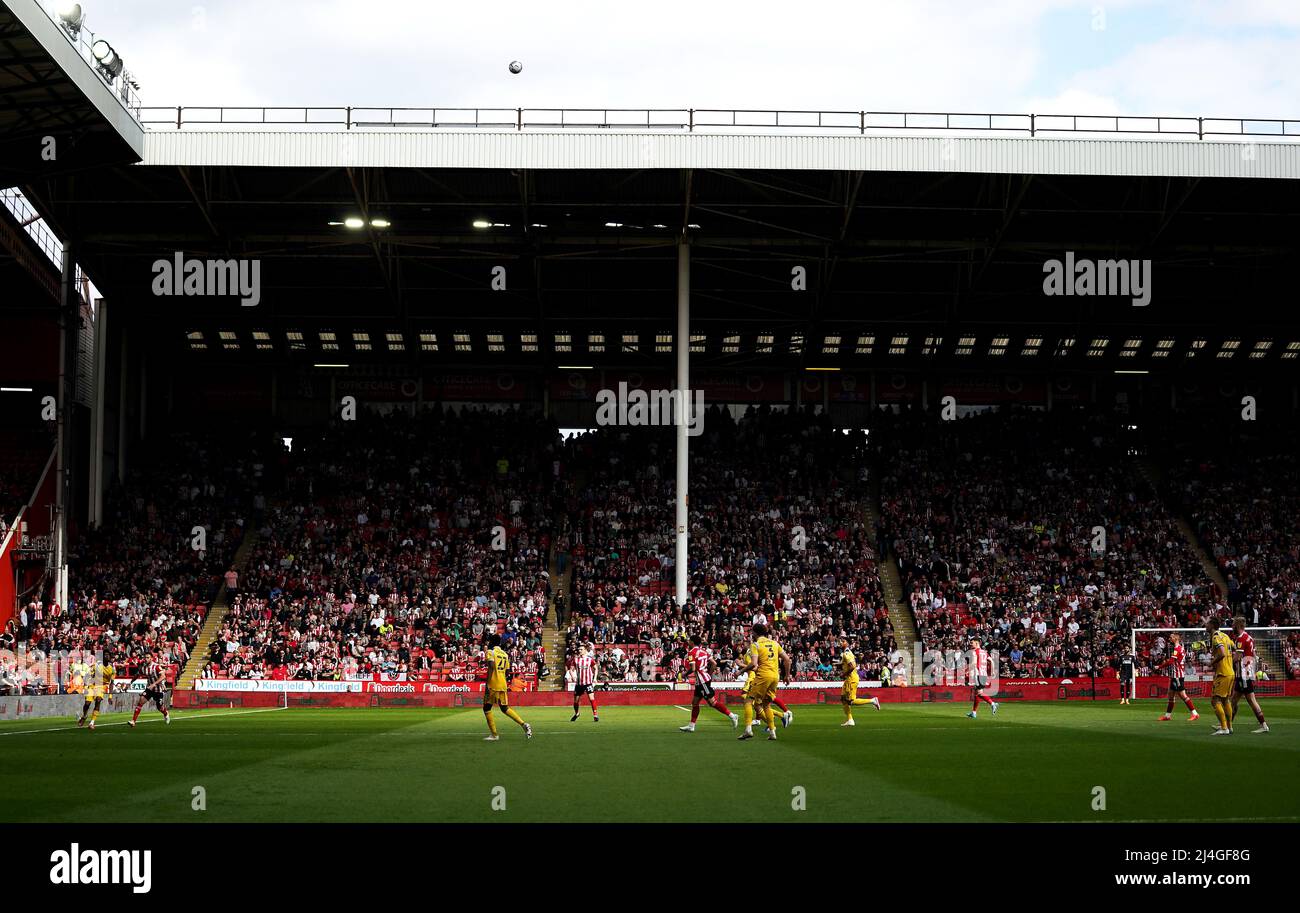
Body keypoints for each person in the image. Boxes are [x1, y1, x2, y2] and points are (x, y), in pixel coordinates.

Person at [736, 624, 790, 742]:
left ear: (755, 633)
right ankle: (772, 732)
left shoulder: (755, 644)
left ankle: (748, 729)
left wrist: (740, 671)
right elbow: (787, 659)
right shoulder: (775, 644)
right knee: (765, 705)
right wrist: (787, 676)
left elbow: (753, 664)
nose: (751, 634)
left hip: (762, 676)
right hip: (775, 677)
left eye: (752, 633)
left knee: (748, 700)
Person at [678, 633, 738, 732]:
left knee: (712, 702)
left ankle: (732, 715)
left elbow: (693, 668)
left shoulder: (691, 652)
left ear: (692, 642)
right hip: (702, 680)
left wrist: (685, 674)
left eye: (689, 641)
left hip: (702, 681)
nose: (688, 642)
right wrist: (709, 674)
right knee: (695, 702)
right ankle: (691, 725)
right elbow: (714, 663)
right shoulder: (704, 651)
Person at [481, 634, 532, 741]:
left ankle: (494, 735)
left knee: (486, 708)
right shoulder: (504, 654)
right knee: (504, 708)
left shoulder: (491, 652)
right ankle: (523, 724)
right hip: (503, 684)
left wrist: (488, 683)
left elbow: (490, 666)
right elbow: (508, 672)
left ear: (491, 642)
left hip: (493, 684)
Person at [1230, 617, 1269, 734]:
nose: (1232, 627)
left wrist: (1228, 661)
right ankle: (1227, 726)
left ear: (1238, 625)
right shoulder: (1250, 637)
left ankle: (1264, 725)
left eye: (1233, 624)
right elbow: (1253, 654)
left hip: (1244, 672)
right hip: (1248, 671)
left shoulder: (1241, 639)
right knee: (1234, 700)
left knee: (1251, 700)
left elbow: (1237, 658)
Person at [838, 637, 881, 727]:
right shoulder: (846, 653)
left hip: (851, 679)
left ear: (848, 643)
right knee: (843, 699)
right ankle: (850, 720)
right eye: (840, 641)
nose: (841, 642)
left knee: (851, 701)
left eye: (843, 641)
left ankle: (873, 700)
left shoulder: (846, 653)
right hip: (848, 679)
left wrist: (843, 674)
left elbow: (852, 666)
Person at [1156, 631, 1198, 722]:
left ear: (1176, 638)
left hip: (1178, 675)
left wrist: (1159, 666)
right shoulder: (1180, 648)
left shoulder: (1177, 649)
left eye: (1171, 637)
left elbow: (1171, 661)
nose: (1169, 639)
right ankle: (1167, 716)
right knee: (1170, 695)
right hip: (1175, 675)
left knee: (1183, 695)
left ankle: (1195, 713)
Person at [1206, 618, 1236, 736]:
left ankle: (1224, 728)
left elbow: (1222, 653)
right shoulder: (1225, 635)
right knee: (1225, 699)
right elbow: (1234, 648)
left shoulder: (1215, 637)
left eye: (1207, 624)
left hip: (1223, 673)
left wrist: (1212, 662)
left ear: (1212, 625)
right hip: (1230, 672)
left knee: (1215, 700)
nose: (1205, 626)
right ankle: (1229, 726)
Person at [128, 653, 172, 728]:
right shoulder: (143, 668)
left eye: (148, 657)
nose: (146, 659)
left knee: (159, 707)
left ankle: (165, 713)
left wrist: (154, 684)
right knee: (141, 701)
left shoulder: (156, 667)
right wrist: (131, 682)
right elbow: (137, 675)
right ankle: (133, 721)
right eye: (145, 657)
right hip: (149, 689)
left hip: (159, 689)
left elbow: (163, 676)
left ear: (151, 658)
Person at [77, 655, 117, 731]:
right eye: (106, 655)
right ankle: (84, 716)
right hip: (92, 685)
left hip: (101, 686)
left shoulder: (112, 669)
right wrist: (85, 686)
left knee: (98, 700)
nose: (107, 657)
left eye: (108, 656)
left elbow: (112, 683)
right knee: (87, 704)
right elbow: (88, 675)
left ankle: (92, 722)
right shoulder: (97, 665)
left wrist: (110, 696)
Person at [965, 638, 999, 719]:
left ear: (977, 643)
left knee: (979, 693)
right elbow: (992, 661)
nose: (970, 644)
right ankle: (974, 712)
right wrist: (993, 671)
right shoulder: (984, 652)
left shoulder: (974, 652)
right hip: (984, 675)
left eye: (972, 643)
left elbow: (973, 663)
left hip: (978, 674)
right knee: (977, 693)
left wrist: (966, 670)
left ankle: (993, 704)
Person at [570, 642, 599, 722]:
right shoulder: (576, 660)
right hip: (579, 684)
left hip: (588, 683)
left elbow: (595, 668)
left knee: (591, 698)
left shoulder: (590, 660)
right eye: (579, 649)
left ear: (585, 650)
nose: (579, 650)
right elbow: (571, 669)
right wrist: (572, 676)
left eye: (581, 649)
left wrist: (595, 678)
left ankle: (595, 715)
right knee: (576, 701)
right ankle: (577, 713)